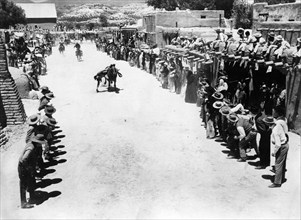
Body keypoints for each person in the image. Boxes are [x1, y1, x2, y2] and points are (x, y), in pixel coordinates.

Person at [18, 134, 46, 208]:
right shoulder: (31, 148)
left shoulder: (32, 145)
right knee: (23, 184)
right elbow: (24, 159)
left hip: (29, 167)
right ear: (37, 142)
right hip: (24, 167)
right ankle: (23, 203)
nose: (41, 145)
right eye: (40, 143)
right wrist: (28, 169)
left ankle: (32, 196)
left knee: (31, 181)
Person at [264, 107, 289, 188]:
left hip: (281, 146)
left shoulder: (275, 130)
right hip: (285, 143)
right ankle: (281, 178)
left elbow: (278, 144)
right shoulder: (281, 122)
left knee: (278, 164)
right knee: (282, 163)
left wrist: (274, 152)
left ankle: (277, 182)